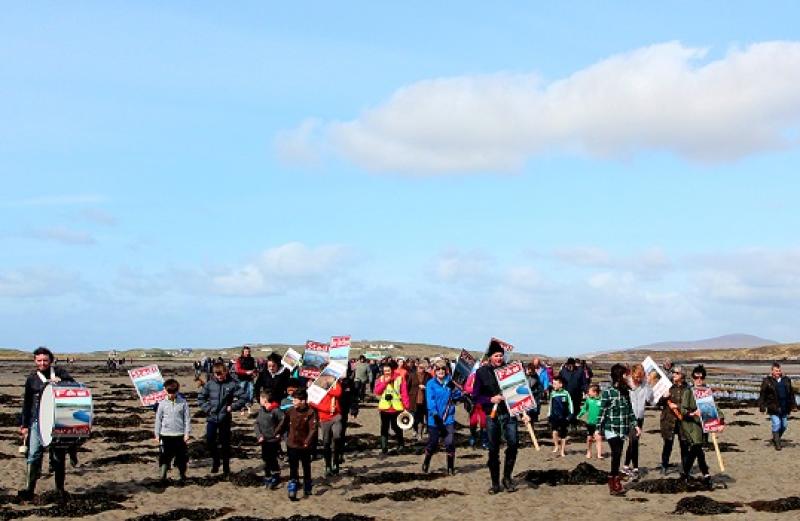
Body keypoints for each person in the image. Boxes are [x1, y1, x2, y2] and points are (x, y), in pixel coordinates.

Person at [18, 346, 75, 500]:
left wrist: (62, 382)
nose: (42, 363)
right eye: (39, 360)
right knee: (33, 454)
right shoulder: (32, 379)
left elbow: (73, 385)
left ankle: (59, 490)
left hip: (57, 421)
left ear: (51, 361)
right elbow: (27, 403)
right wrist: (24, 425)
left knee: (58, 456)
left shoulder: (60, 372)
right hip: (36, 421)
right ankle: (29, 490)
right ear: (35, 361)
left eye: (45, 360)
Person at [471, 341, 519, 494]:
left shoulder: (509, 370)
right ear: (490, 357)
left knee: (513, 444)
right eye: (496, 355)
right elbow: (475, 396)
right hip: (492, 415)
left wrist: (524, 411)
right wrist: (490, 399)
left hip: (510, 413)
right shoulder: (481, 373)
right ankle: (495, 483)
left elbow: (519, 391)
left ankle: (507, 478)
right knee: (493, 449)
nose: (499, 358)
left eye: (500, 355)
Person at [197, 362, 247, 476]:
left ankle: (226, 466)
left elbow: (243, 397)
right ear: (214, 374)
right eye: (217, 374)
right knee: (210, 440)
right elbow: (201, 398)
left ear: (225, 372)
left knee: (225, 443)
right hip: (212, 417)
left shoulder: (232, 384)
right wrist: (208, 409)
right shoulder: (209, 384)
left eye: (221, 374)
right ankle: (216, 461)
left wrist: (232, 406)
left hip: (225, 418)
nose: (219, 376)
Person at [598, 363, 640, 496]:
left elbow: (630, 411)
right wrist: (597, 430)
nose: (628, 377)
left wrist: (636, 425)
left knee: (619, 453)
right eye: (626, 375)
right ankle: (614, 481)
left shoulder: (625, 392)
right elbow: (602, 412)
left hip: (623, 429)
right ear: (619, 376)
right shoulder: (607, 393)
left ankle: (613, 478)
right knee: (616, 453)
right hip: (611, 428)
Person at [680, 365, 721, 488]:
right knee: (696, 446)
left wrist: (720, 422)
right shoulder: (688, 392)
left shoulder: (706, 392)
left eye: (701, 378)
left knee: (698, 450)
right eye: (696, 377)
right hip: (690, 424)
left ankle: (687, 473)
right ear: (692, 378)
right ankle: (704, 473)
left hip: (703, 424)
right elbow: (683, 410)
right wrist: (693, 413)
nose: (699, 380)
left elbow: (714, 408)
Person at [274, 388, 318, 501]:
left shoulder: (311, 412)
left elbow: (313, 429)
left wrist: (307, 441)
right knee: (293, 467)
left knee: (306, 466)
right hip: (292, 443)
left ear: (303, 401)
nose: (293, 401)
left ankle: (307, 485)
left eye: (295, 400)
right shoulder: (290, 411)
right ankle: (293, 486)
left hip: (304, 445)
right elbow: (283, 424)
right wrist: (277, 433)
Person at [422, 361, 461, 475]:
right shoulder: (431, 383)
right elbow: (430, 400)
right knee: (433, 443)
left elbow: (457, 396)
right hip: (434, 418)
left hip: (448, 417)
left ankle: (450, 467)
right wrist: (434, 414)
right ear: (435, 371)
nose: (441, 371)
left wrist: (455, 390)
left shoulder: (450, 381)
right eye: (438, 369)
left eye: (443, 369)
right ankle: (427, 460)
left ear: (446, 370)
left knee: (450, 442)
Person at [154, 378, 191, 484]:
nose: (171, 394)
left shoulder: (183, 403)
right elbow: (158, 420)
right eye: (169, 392)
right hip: (165, 435)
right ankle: (163, 476)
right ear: (165, 390)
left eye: (173, 392)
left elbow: (187, 419)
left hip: (179, 435)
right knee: (164, 457)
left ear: (177, 391)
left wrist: (187, 433)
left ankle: (182, 475)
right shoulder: (162, 404)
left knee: (182, 457)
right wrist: (157, 434)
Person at [623, 364, 653, 478]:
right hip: (630, 417)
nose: (638, 380)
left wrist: (648, 384)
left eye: (641, 377)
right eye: (636, 377)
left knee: (632, 443)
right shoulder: (627, 383)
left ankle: (626, 465)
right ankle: (635, 467)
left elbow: (649, 399)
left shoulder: (645, 384)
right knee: (634, 441)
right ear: (632, 374)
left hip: (640, 417)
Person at [758, 362, 796, 450]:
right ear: (772, 371)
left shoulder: (786, 380)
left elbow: (791, 393)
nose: (778, 372)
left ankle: (776, 438)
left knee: (784, 426)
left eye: (779, 370)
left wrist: (793, 405)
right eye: (776, 371)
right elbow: (762, 394)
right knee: (776, 424)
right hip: (773, 406)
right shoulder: (767, 381)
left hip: (785, 406)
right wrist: (762, 406)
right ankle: (777, 444)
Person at [658, 365, 689, 475]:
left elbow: (690, 405)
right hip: (668, 420)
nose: (674, 374)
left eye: (676, 373)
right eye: (673, 372)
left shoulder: (688, 389)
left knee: (684, 445)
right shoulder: (668, 386)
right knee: (667, 445)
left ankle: (685, 469)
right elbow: (658, 403)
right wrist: (664, 397)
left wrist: (677, 406)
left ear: (682, 375)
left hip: (683, 421)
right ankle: (664, 466)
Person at [374, 360, 410, 454]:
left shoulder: (399, 378)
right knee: (384, 428)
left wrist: (406, 406)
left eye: (388, 370)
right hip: (384, 408)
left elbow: (404, 393)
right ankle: (384, 447)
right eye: (384, 371)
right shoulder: (381, 379)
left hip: (396, 408)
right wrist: (385, 383)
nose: (386, 372)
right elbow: (377, 391)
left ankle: (401, 445)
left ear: (392, 370)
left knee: (397, 427)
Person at [310, 378, 343, 476]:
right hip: (324, 418)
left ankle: (336, 462)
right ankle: (328, 465)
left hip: (336, 416)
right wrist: (325, 409)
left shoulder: (335, 384)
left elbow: (338, 393)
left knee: (337, 437)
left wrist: (327, 389)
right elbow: (311, 402)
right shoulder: (316, 387)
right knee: (326, 442)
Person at [254, 390, 284, 489]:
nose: (259, 400)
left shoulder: (276, 410)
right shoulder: (261, 410)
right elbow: (257, 423)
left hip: (273, 440)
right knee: (265, 457)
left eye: (260, 398)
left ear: (265, 400)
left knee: (271, 458)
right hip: (264, 439)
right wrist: (259, 435)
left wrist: (279, 433)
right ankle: (268, 474)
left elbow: (283, 421)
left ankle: (275, 474)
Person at [559, 357, 587, 431]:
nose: (570, 367)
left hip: (577, 394)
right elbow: (559, 381)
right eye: (569, 365)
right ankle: (565, 424)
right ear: (567, 365)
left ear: (574, 365)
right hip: (565, 394)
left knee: (576, 409)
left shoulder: (580, 371)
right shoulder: (563, 371)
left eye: (572, 365)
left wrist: (586, 391)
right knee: (565, 409)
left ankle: (574, 423)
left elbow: (584, 382)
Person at [549, 376, 573, 457]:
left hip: (564, 416)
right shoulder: (552, 393)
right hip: (554, 416)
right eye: (553, 384)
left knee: (563, 434)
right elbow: (550, 405)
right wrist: (549, 414)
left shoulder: (566, 393)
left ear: (561, 384)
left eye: (555, 384)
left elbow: (570, 404)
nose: (553, 385)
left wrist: (570, 415)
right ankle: (556, 446)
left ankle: (562, 451)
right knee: (554, 431)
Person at [578, 383, 603, 459]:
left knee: (598, 438)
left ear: (595, 392)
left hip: (598, 423)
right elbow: (584, 409)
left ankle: (599, 454)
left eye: (589, 391)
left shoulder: (601, 400)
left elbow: (605, 410)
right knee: (589, 438)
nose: (588, 393)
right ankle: (588, 452)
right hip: (590, 423)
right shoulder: (588, 400)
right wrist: (579, 415)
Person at [408, 361, 430, 442]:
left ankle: (419, 435)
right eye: (420, 367)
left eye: (423, 368)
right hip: (413, 400)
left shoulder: (428, 375)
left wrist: (426, 387)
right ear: (417, 367)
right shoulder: (412, 375)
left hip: (424, 401)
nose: (422, 369)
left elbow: (431, 386)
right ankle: (414, 429)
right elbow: (407, 387)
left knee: (421, 418)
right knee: (413, 418)